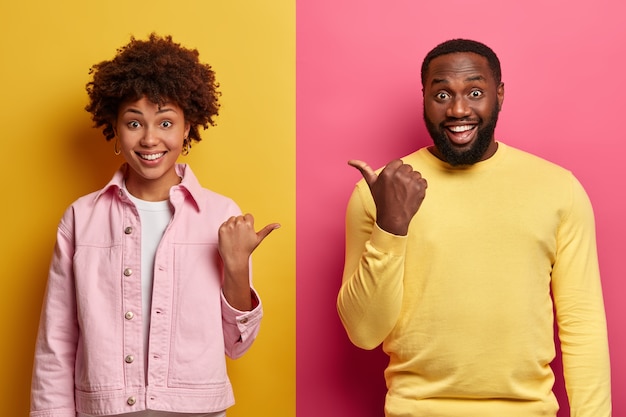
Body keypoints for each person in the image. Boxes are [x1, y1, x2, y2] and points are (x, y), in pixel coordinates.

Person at [337, 39, 611, 417]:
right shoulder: (381, 191)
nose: (459, 109)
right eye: (442, 94)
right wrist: (391, 226)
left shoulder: (558, 188)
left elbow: (582, 321)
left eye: (475, 92)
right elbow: (364, 332)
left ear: (499, 95)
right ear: (424, 99)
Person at [30, 34, 279, 417]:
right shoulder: (81, 218)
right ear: (115, 126)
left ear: (187, 128)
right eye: (134, 122)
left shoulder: (220, 214)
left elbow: (236, 345)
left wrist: (237, 266)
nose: (150, 139)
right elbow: (57, 343)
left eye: (165, 122)